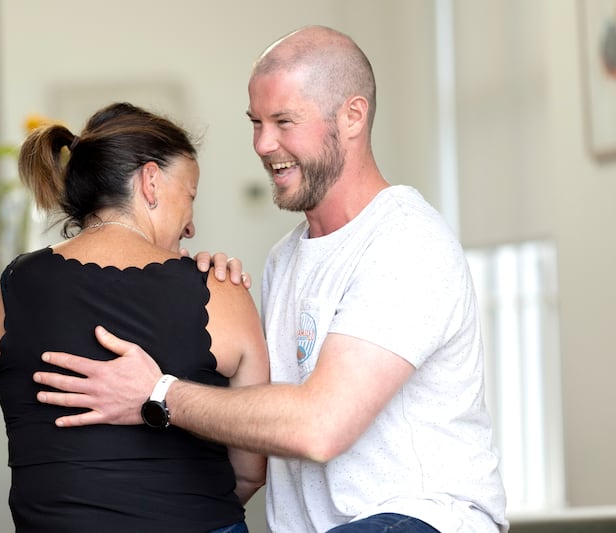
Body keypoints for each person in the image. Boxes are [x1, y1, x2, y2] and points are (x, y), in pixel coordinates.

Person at [32, 26, 509, 533]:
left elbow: (320, 425)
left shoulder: (406, 241)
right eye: (256, 122)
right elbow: (254, 440)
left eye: (284, 121)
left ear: (352, 116)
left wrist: (158, 394)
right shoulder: (284, 259)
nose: (263, 144)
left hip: (422, 518)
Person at [0, 101, 269, 533]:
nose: (190, 226)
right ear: (150, 180)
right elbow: (251, 471)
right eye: (189, 196)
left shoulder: (13, 286)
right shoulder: (222, 292)